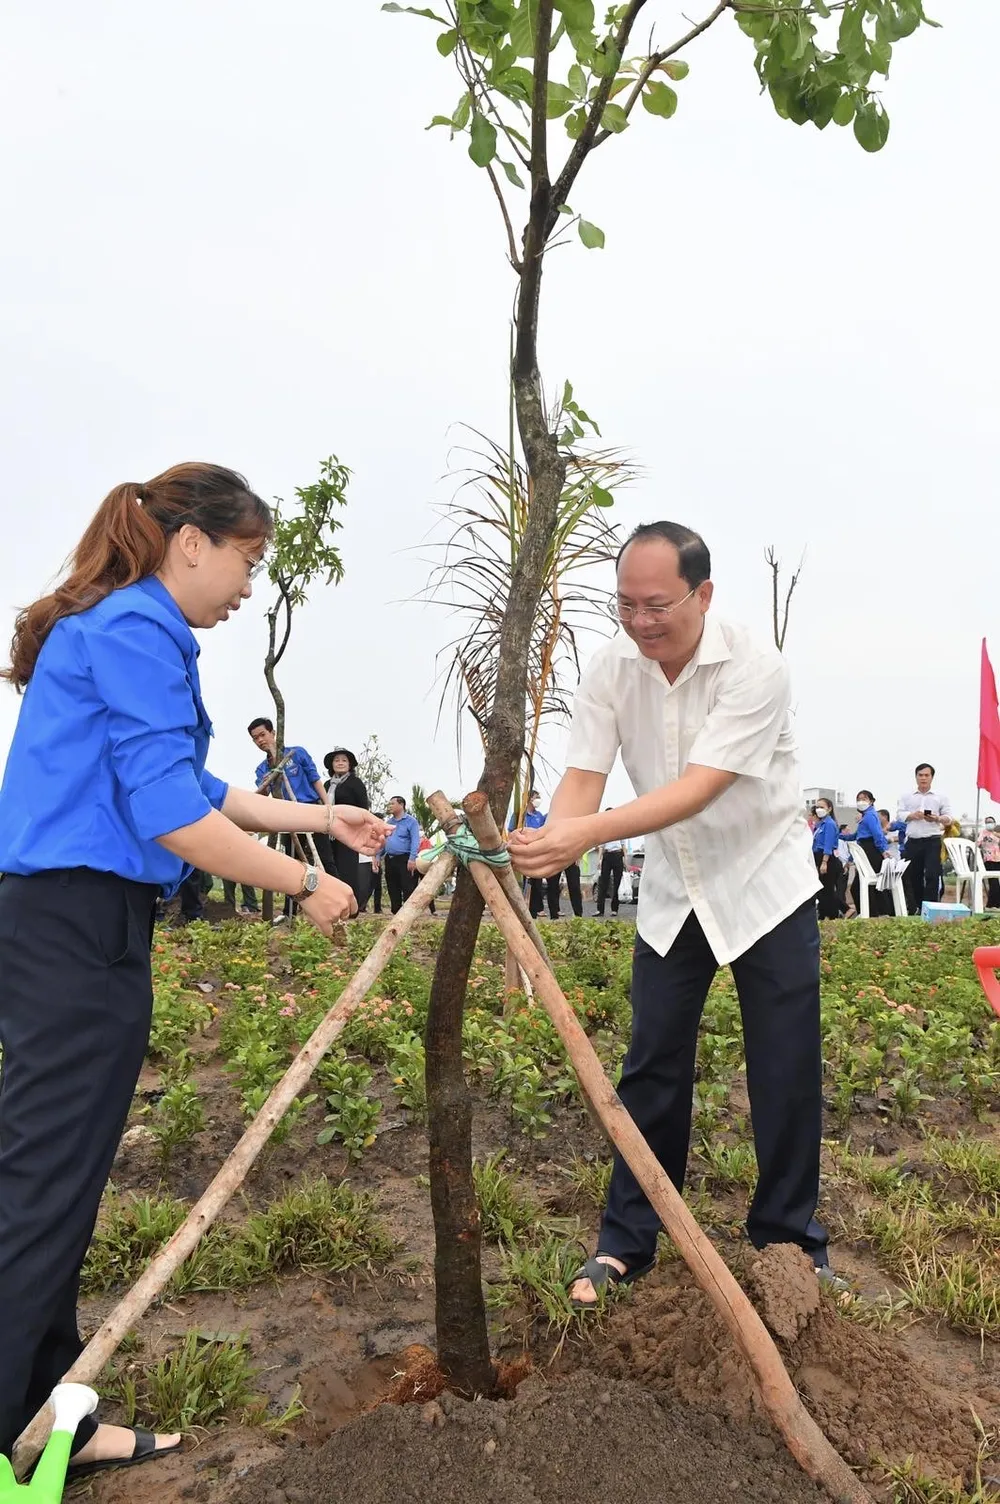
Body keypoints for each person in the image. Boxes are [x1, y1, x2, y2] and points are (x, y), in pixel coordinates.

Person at [0, 463, 389, 1472]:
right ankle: (11, 1435)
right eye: (246, 560)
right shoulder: (137, 628)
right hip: (76, 926)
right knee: (43, 1184)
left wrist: (322, 820)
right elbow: (172, 816)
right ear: (190, 543)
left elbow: (199, 786)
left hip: (80, 923)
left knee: (60, 1179)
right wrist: (306, 885)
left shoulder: (126, 628)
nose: (250, 586)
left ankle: (47, 1416)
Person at [509, 520, 831, 1309]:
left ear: (703, 594)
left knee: (784, 1065)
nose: (641, 621)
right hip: (674, 889)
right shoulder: (612, 667)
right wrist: (553, 838)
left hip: (763, 883)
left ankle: (789, 1243)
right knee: (651, 1063)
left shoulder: (755, 666)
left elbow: (698, 787)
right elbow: (584, 774)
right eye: (626, 605)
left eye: (657, 605)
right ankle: (627, 1242)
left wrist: (585, 834)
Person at [249, 718, 336, 919]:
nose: (260, 740)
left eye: (262, 735)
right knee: (292, 865)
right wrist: (265, 783)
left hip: (311, 810)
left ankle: (336, 902)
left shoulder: (296, 754)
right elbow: (262, 795)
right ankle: (290, 912)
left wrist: (327, 808)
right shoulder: (262, 769)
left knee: (324, 858)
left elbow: (315, 779)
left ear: (273, 733)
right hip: (287, 816)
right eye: (255, 738)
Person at [897, 763, 953, 914]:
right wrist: (912, 815)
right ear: (916, 777)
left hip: (932, 840)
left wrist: (937, 818)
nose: (923, 778)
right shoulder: (906, 796)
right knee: (913, 875)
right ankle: (918, 907)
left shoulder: (940, 797)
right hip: (913, 840)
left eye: (926, 775)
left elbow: (949, 818)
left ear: (931, 777)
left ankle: (931, 908)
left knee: (932, 875)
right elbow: (899, 814)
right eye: (920, 775)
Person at [323, 748, 369, 901]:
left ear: (350, 765)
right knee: (330, 868)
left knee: (347, 869)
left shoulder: (356, 783)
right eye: (336, 760)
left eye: (344, 760)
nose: (340, 763)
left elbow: (364, 808)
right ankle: (332, 901)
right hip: (328, 832)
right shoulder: (327, 785)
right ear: (332, 765)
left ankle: (350, 903)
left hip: (349, 833)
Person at [841, 790, 892, 917]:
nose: (861, 802)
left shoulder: (870, 816)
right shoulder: (864, 817)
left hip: (871, 850)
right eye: (858, 799)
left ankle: (874, 913)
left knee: (869, 884)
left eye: (864, 799)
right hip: (864, 849)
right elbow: (856, 836)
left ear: (871, 801)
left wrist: (883, 850)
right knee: (864, 885)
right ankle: (870, 913)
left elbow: (877, 834)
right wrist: (840, 835)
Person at [378, 796, 421, 913]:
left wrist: (412, 858)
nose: (390, 806)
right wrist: (377, 856)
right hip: (390, 858)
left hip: (404, 858)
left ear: (401, 805)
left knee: (407, 886)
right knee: (392, 886)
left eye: (392, 803)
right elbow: (384, 842)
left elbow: (415, 841)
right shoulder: (389, 823)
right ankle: (395, 911)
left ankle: (408, 912)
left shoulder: (411, 821)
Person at [811, 800, 842, 920]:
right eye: (817, 807)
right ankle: (823, 915)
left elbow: (828, 845)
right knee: (821, 890)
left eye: (822, 807)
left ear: (829, 809)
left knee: (827, 889)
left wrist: (824, 862)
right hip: (818, 856)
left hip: (827, 858)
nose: (818, 809)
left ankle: (833, 915)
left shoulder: (829, 824)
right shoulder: (820, 824)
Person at [596, 816, 626, 917]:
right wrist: (599, 860)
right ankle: (600, 910)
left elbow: (623, 845)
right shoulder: (603, 830)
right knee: (603, 882)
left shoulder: (620, 830)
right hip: (607, 855)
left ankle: (614, 909)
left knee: (617, 883)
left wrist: (625, 859)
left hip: (617, 855)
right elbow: (601, 847)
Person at [978, 816, 1000, 909]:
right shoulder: (983, 833)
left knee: (997, 882)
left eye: (991, 821)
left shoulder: (997, 833)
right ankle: (993, 904)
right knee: (993, 882)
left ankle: (994, 904)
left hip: (998, 859)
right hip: (989, 859)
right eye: (987, 822)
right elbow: (978, 842)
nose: (989, 823)